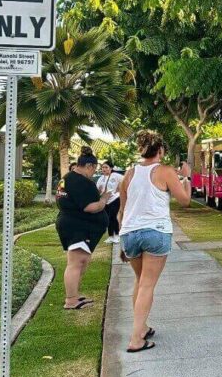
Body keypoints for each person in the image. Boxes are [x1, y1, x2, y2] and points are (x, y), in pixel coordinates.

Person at [117, 130, 192, 353]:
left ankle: (142, 328)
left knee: (140, 282)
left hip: (129, 233)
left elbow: (122, 210)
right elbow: (185, 201)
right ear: (160, 150)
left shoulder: (129, 174)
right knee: (147, 285)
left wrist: (122, 241)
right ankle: (135, 339)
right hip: (155, 232)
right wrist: (186, 177)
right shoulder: (166, 171)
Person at [56, 146, 111, 310]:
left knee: (82, 261)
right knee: (76, 262)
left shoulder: (68, 178)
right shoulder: (80, 181)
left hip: (74, 224)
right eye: (94, 170)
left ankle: (75, 295)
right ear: (89, 166)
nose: (93, 174)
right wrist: (104, 199)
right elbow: (90, 207)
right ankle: (71, 300)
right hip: (77, 227)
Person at [98, 160, 124, 242]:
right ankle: (110, 236)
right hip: (105, 200)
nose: (104, 169)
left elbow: (125, 181)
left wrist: (120, 188)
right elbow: (97, 189)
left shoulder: (116, 176)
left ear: (111, 168)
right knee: (107, 218)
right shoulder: (101, 178)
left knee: (113, 216)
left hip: (115, 199)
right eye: (103, 167)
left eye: (106, 167)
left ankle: (116, 235)